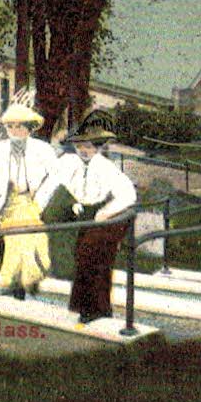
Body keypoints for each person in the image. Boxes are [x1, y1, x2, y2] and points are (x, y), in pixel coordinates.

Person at [59, 124, 138, 324]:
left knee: (93, 257)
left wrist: (106, 212)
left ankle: (97, 309)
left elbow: (128, 195)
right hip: (88, 215)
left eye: (89, 146)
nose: (84, 151)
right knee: (82, 257)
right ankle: (89, 307)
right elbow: (73, 188)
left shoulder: (104, 166)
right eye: (79, 146)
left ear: (98, 147)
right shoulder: (76, 165)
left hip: (107, 218)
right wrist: (76, 203)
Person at [0, 102, 59, 300]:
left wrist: (40, 201)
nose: (14, 131)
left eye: (19, 126)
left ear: (28, 128)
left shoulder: (43, 149)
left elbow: (54, 177)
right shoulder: (0, 149)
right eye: (10, 126)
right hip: (8, 202)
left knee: (24, 237)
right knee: (15, 239)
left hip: (30, 201)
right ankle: (27, 279)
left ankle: (8, 281)